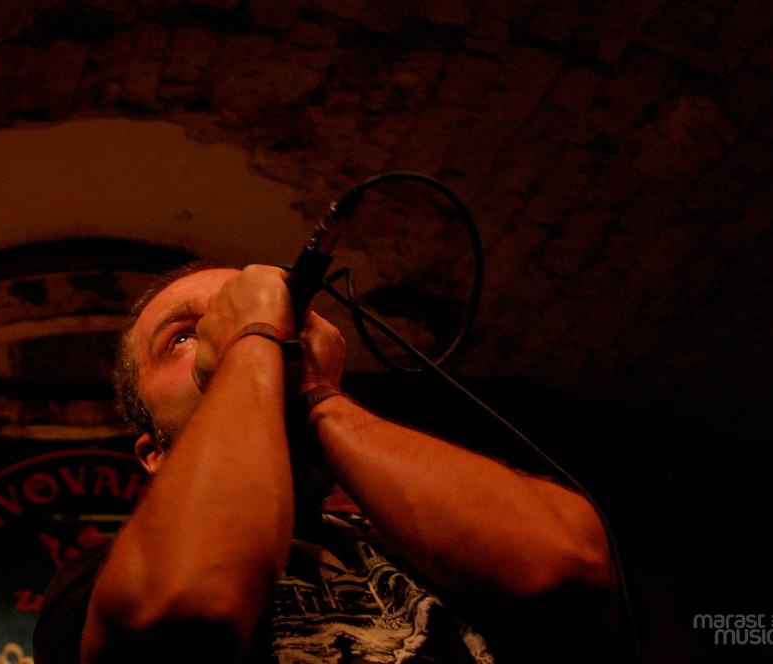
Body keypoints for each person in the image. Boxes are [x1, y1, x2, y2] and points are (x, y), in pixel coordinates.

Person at [34, 263, 620, 663]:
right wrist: (252, 335)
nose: (225, 337)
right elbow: (187, 608)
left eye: (242, 317)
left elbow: (569, 563)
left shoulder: (408, 536)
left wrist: (320, 394)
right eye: (183, 336)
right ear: (154, 453)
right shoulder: (102, 578)